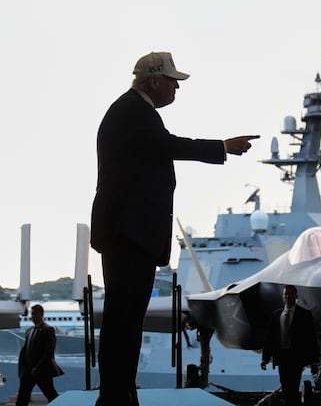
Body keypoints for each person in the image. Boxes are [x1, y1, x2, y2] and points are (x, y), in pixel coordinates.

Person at [90, 51, 259, 406]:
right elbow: (167, 146)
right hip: (130, 233)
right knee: (125, 321)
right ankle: (116, 397)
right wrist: (222, 147)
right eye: (173, 81)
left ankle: (119, 394)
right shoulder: (135, 112)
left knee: (125, 320)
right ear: (154, 80)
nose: (176, 89)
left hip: (129, 232)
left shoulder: (130, 111)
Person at [260, 285, 320, 406]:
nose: (288, 296)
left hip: (296, 357)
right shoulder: (277, 315)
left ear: (296, 296)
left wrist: (314, 361)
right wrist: (265, 358)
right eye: (286, 294)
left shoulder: (304, 314)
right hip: (282, 357)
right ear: (283, 296)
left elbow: (311, 339)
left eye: (291, 294)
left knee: (293, 387)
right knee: (285, 386)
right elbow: (271, 338)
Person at [16, 304, 63, 406]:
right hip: (28, 371)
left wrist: (37, 367)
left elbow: (49, 352)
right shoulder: (29, 331)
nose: (33, 316)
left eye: (35, 314)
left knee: (51, 395)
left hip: (42, 371)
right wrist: (22, 369)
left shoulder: (48, 329)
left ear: (42, 314)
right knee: (22, 397)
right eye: (32, 314)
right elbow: (25, 350)